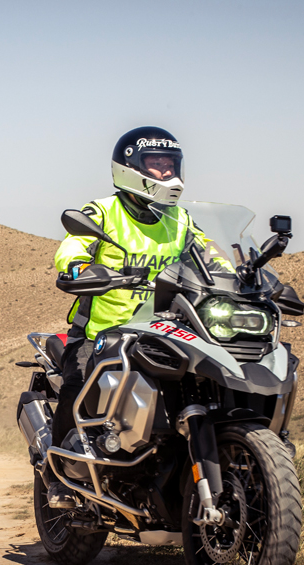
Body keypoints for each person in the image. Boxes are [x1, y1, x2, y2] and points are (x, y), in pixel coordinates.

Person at [51, 126, 224, 445]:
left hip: (165, 330)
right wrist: (79, 267)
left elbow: (210, 253)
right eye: (157, 163)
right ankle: (58, 464)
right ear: (129, 168)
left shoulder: (180, 219)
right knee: (77, 391)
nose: (167, 171)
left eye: (171, 164)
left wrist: (237, 276)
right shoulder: (103, 211)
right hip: (102, 333)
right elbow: (73, 245)